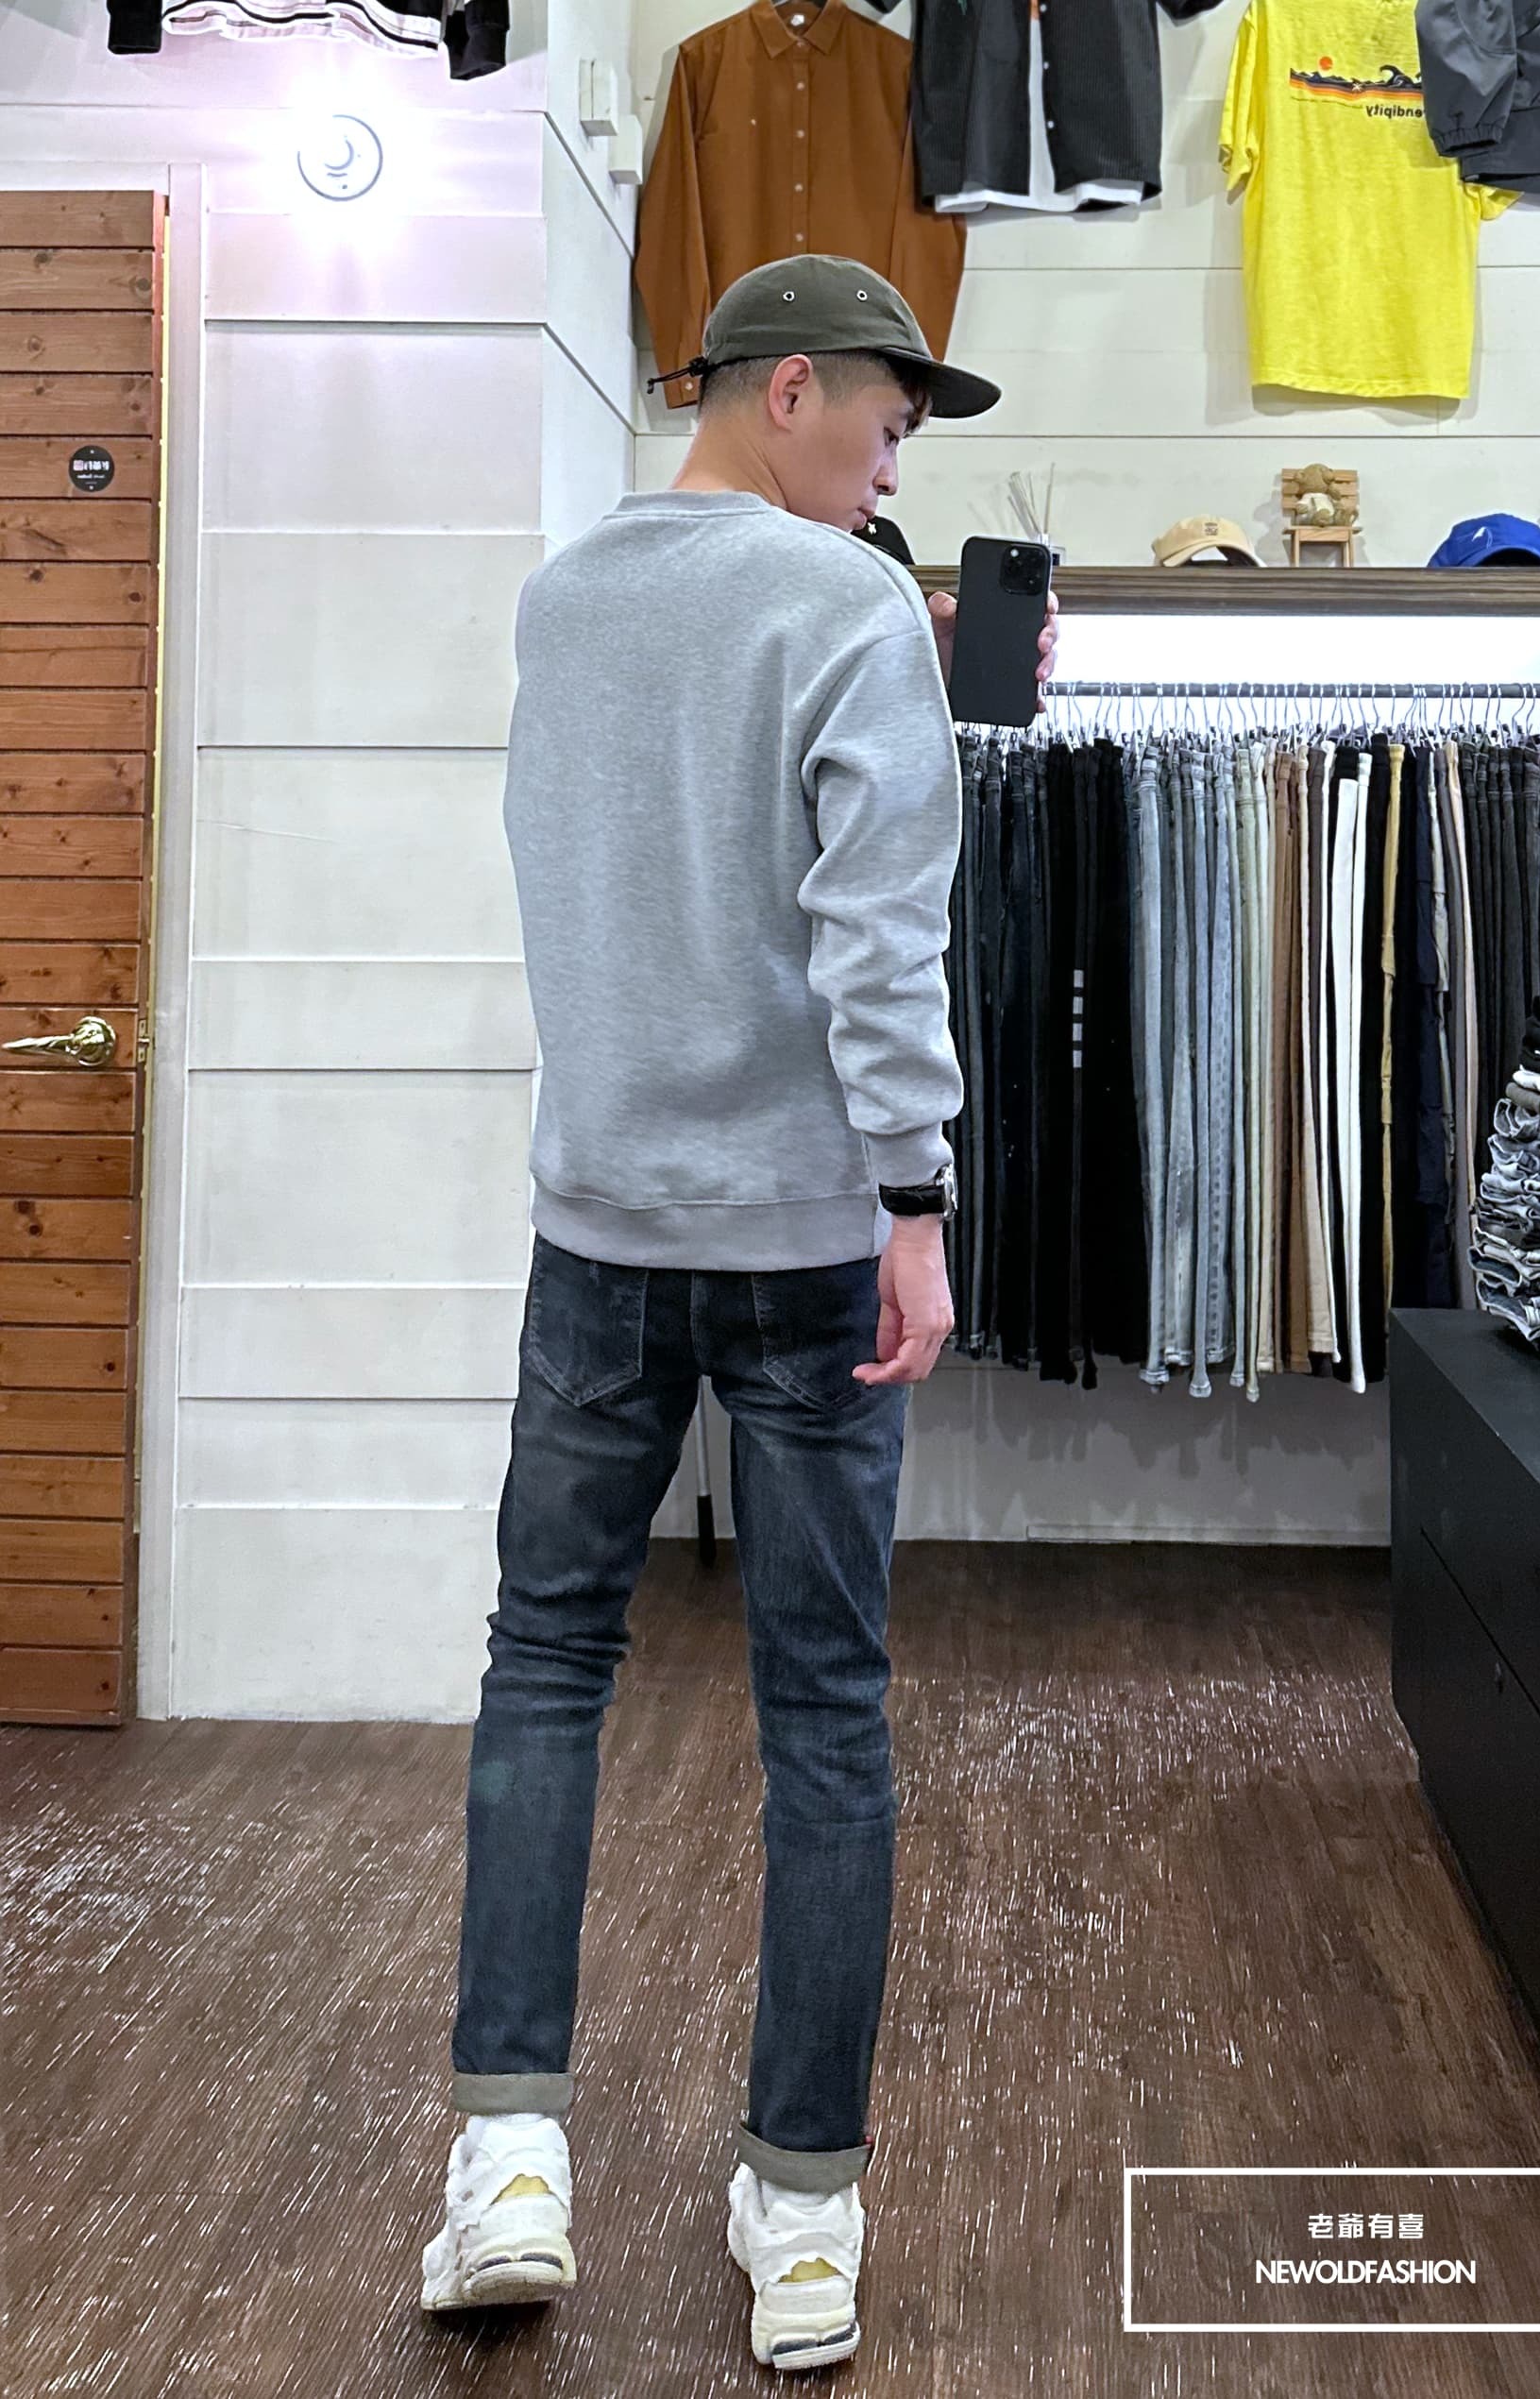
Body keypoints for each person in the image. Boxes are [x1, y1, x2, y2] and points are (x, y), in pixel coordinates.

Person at [418, 252, 1058, 2373]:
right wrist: (915, 1199)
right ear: (789, 387)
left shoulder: (563, 598)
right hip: (802, 1241)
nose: (893, 468)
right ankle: (801, 2208)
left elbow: (604, 877)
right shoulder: (846, 607)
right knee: (825, 1713)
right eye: (885, 422)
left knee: (543, 1671)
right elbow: (875, 936)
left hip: (596, 1227)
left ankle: (508, 2161)